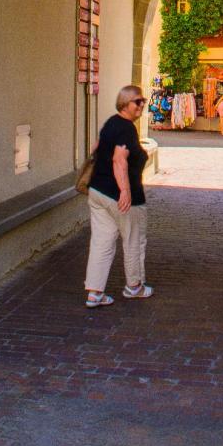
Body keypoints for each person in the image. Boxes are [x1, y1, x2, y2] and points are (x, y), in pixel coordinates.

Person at [84, 84, 152, 307]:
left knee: (101, 242)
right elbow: (119, 159)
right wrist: (125, 191)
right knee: (133, 240)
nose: (142, 105)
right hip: (118, 195)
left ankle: (94, 292)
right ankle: (134, 286)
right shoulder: (125, 128)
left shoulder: (111, 123)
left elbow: (96, 148)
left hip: (98, 191)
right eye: (137, 102)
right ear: (125, 104)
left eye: (143, 101)